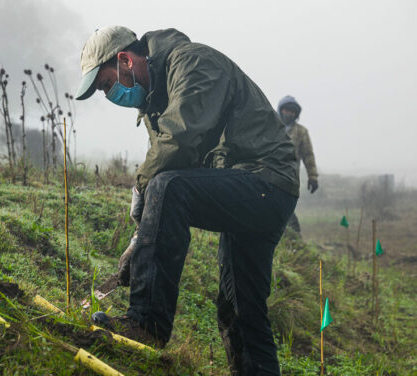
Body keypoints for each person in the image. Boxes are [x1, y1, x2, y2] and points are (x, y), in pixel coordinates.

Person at [76, 26, 299, 375]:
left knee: (168, 186)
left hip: (264, 180)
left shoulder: (192, 63)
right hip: (251, 186)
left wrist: (141, 190)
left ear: (124, 60)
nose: (109, 95)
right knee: (239, 309)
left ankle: (146, 324)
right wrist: (141, 241)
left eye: (106, 85)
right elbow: (174, 164)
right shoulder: (154, 98)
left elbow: (178, 145)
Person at [277, 95, 319, 237]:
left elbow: (308, 155)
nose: (289, 114)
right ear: (281, 110)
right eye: (286, 110)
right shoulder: (271, 126)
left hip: (289, 178)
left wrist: (312, 177)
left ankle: (295, 238)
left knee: (287, 207)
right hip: (269, 174)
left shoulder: (301, 132)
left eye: (292, 112)